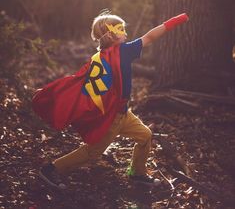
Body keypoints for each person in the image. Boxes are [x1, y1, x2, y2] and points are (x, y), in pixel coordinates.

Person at [36, 11, 189, 189]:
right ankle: (51, 169)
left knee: (145, 135)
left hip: (124, 114)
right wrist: (176, 20)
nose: (125, 33)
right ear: (111, 34)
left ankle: (137, 173)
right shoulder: (123, 51)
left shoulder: (103, 55)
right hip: (111, 117)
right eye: (122, 29)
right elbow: (150, 36)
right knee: (92, 153)